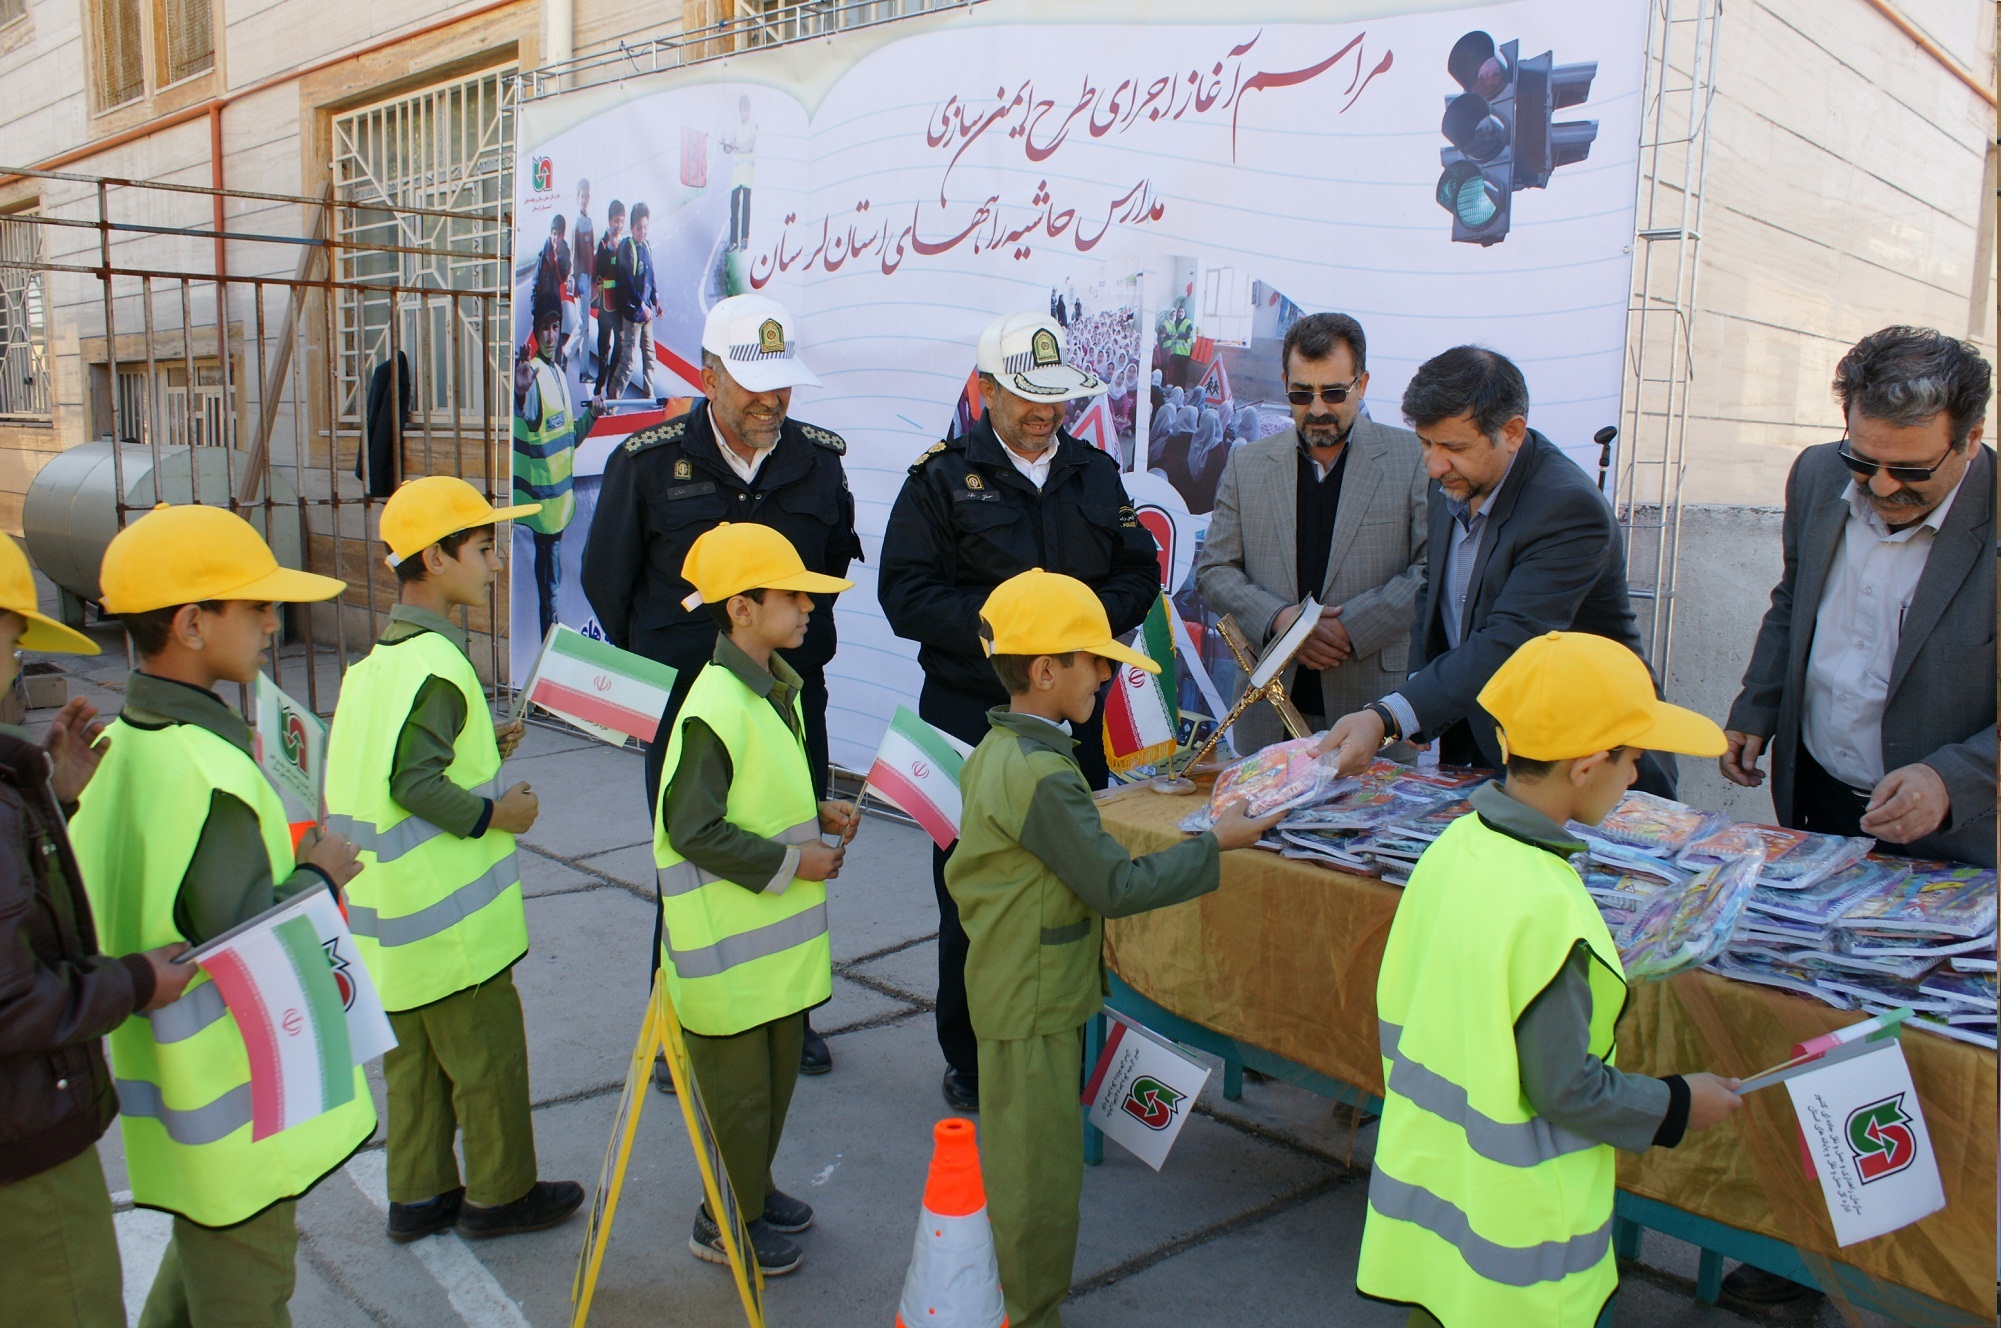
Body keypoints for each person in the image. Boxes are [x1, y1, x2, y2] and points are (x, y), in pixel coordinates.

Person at [1356, 630, 1745, 1328]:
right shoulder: (1551, 908)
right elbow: (1568, 1088)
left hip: (1436, 1211)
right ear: (1590, 765)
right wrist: (1680, 1104)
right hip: (1520, 1266)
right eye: (1633, 758)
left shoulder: (1455, 846)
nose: (1637, 774)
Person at [949, 569, 1281, 1328]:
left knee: (1022, 1158)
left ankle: (1014, 1297)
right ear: (1044, 671)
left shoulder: (1002, 749)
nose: (1106, 674)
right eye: (1093, 661)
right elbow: (1115, 888)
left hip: (1015, 985)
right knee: (1038, 1176)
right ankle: (1030, 1311)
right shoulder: (1041, 773)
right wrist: (1217, 843)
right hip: (1033, 998)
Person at [70, 504, 375, 1327]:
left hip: (171, 1099)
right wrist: (318, 876)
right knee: (244, 1292)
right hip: (241, 1110)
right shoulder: (209, 772)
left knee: (195, 1281)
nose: (276, 625)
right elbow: (251, 950)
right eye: (259, 607)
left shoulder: (125, 747)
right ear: (193, 624)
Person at [878, 310, 1161, 1113]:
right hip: (972, 720)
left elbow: (1140, 570)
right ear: (986, 392)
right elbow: (906, 595)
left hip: (1076, 724)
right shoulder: (939, 479)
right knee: (973, 895)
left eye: (1056, 400)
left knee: (1078, 882)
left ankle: (1072, 1038)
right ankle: (971, 1057)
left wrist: (1083, 629)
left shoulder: (1094, 473)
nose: (1045, 417)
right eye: (1027, 400)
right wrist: (1015, 641)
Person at [582, 293, 858, 1077]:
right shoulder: (645, 463)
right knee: (693, 864)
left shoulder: (818, 461)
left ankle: (788, 1019)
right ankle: (680, 1023)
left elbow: (828, 574)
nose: (771, 401)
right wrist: (678, 670)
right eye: (752, 384)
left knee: (794, 854)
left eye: (782, 385)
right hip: (688, 710)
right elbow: (610, 583)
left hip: (787, 710)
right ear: (708, 376)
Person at [324, 476, 585, 1245]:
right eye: (481, 548)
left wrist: (485, 745)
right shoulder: (438, 664)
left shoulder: (377, 664)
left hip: (391, 927)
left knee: (415, 1075)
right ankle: (502, 1195)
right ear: (435, 559)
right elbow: (414, 784)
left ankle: (419, 1196)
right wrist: (501, 813)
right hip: (452, 928)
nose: (497, 562)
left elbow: (391, 765)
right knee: (488, 1064)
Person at [1316, 347, 1673, 796]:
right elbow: (1437, 595)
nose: (1433, 464)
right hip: (1496, 749)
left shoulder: (1567, 508)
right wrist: (1422, 698)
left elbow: (1510, 642)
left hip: (1593, 764)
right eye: (1425, 443)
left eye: (1452, 447)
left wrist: (1389, 715)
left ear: (1512, 432)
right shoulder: (1454, 476)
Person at [0, 530, 200, 1327]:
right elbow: (11, 1001)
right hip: (24, 1155)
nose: (16, 666)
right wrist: (139, 981)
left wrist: (55, 792)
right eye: (14, 641)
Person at [655, 521, 858, 1277]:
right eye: (793, 596)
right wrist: (791, 860)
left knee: (769, 1090)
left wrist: (818, 812)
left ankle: (751, 1189)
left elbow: (757, 794)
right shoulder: (715, 705)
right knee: (740, 1101)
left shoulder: (773, 689)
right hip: (730, 957)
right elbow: (691, 828)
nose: (809, 608)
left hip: (767, 956)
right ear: (741, 608)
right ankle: (722, 1219)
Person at [1723, 326, 1996, 877]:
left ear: (1970, 440)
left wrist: (1957, 776)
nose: (1886, 487)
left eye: (1913, 470)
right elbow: (1792, 601)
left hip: (1959, 836)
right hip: (1817, 803)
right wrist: (1759, 705)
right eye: (1865, 461)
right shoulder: (1817, 473)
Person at [1198, 312, 1428, 750]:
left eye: (1334, 392)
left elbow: (1429, 569)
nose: (1318, 408)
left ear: (1362, 384)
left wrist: (1353, 628)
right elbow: (1215, 570)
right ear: (1284, 382)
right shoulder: (1248, 464)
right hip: (1268, 710)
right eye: (1302, 394)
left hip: (1370, 710)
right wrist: (1283, 623)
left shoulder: (1411, 459)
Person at [513, 309, 600, 641]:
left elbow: (570, 439)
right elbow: (530, 413)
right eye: (544, 329)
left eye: (555, 327)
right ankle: (547, 648)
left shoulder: (558, 374)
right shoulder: (533, 375)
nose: (550, 335)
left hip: (559, 506)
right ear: (535, 332)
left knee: (554, 582)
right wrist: (521, 393)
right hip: (545, 508)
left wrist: (592, 414)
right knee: (549, 585)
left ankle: (551, 638)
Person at [607, 202, 659, 401]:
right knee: (629, 361)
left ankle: (649, 395)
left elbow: (651, 276)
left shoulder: (646, 246)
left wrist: (656, 301)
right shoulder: (626, 248)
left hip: (646, 314)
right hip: (632, 314)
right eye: (639, 228)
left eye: (645, 227)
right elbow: (628, 282)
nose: (643, 231)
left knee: (650, 357)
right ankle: (612, 400)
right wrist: (641, 306)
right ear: (632, 228)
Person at [591, 200, 625, 397]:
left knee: (620, 347)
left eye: (621, 221)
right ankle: (600, 382)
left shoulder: (625, 243)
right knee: (603, 347)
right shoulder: (603, 244)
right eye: (615, 221)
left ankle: (612, 382)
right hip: (605, 305)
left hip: (620, 306)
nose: (618, 225)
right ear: (609, 220)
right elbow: (600, 270)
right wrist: (610, 249)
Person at [530, 213, 570, 358]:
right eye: (554, 234)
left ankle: (558, 371)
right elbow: (536, 284)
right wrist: (535, 310)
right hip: (542, 306)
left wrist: (559, 256)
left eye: (559, 235)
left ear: (563, 235)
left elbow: (564, 277)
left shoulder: (565, 253)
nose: (556, 238)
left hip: (555, 306)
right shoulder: (543, 255)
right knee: (542, 344)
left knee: (556, 344)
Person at [723, 96, 757, 252]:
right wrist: (727, 146)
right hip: (737, 174)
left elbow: (749, 146)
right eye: (741, 110)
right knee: (734, 207)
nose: (743, 113)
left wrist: (737, 145)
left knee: (746, 207)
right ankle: (733, 241)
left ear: (749, 109)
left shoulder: (753, 125)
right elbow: (730, 146)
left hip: (748, 173)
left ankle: (745, 239)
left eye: (745, 110)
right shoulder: (736, 127)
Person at [568, 178, 595, 366]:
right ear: (578, 198)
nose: (584, 199)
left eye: (587, 195)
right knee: (582, 323)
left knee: (586, 327)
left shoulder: (590, 221)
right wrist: (576, 281)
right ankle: (566, 353)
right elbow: (572, 255)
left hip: (589, 277)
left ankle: (584, 369)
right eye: (582, 196)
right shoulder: (575, 222)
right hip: (580, 278)